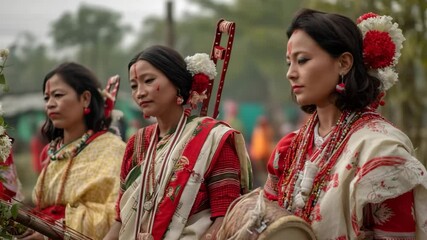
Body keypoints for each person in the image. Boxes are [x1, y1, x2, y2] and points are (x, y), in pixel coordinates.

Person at [262, 9, 427, 239]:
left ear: (344, 63)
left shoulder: (380, 153)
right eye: (289, 62)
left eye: (302, 60)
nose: (291, 73)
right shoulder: (288, 150)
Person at [103, 45, 251, 240]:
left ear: (176, 83)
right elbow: (121, 219)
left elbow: (225, 216)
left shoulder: (212, 138)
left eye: (149, 81)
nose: (140, 92)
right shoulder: (137, 143)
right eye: (133, 86)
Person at [17, 62, 126, 240]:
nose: (50, 104)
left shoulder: (112, 149)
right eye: (46, 98)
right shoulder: (53, 151)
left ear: (85, 98)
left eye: (58, 95)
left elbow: (114, 216)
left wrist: (48, 233)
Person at [249, 115, 274, 188]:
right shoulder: (258, 131)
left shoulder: (268, 130)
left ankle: (264, 185)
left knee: (264, 173)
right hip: (258, 155)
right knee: (260, 173)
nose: (263, 124)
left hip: (265, 155)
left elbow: (269, 142)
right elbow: (255, 143)